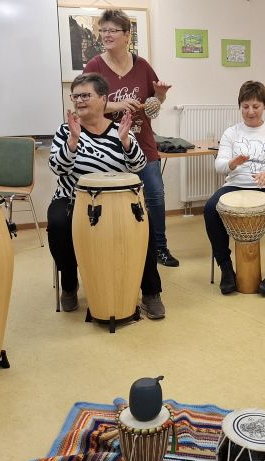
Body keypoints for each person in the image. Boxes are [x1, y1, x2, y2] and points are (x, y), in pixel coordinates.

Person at [47, 72, 165, 319]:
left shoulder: (119, 130)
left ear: (103, 99)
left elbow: (139, 166)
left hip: (118, 202)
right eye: (75, 96)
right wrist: (73, 141)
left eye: (85, 95)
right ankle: (69, 283)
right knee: (58, 223)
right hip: (72, 199)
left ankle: (151, 292)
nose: (79, 100)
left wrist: (126, 142)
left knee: (147, 224)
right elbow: (57, 168)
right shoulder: (65, 130)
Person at [84, 9, 179, 267]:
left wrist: (160, 95)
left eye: (112, 30)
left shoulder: (143, 65)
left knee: (155, 195)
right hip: (108, 146)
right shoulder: (94, 66)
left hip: (142, 143)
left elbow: (153, 106)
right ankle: (118, 248)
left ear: (127, 35)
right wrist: (117, 105)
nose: (106, 35)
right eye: (103, 30)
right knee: (113, 200)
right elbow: (86, 105)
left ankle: (159, 248)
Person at [204, 81, 265, 296]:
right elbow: (219, 166)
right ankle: (226, 268)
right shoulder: (231, 133)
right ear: (239, 106)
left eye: (256, 106)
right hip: (236, 185)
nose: (250, 112)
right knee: (210, 208)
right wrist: (232, 163)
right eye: (245, 106)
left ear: (264, 106)